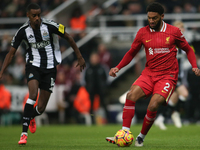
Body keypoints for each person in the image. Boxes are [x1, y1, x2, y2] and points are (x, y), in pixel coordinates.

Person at [105, 2, 200, 147]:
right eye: (149, 18)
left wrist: (194, 66)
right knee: (130, 96)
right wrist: (118, 67)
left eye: (154, 18)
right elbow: (132, 52)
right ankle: (124, 132)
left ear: (162, 16)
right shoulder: (142, 32)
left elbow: (188, 49)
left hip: (168, 76)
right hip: (149, 74)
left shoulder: (173, 31)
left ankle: (141, 137)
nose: (151, 21)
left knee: (153, 104)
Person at [0, 3, 86, 145]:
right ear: (28, 15)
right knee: (33, 95)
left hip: (50, 68)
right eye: (34, 15)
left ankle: (32, 116)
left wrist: (80, 56)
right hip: (33, 66)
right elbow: (11, 53)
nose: (37, 18)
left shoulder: (50, 25)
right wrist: (2, 71)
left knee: (41, 108)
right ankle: (23, 134)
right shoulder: (23, 31)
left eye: (39, 15)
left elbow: (69, 37)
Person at [154, 21, 189, 130]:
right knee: (184, 93)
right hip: (172, 75)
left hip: (179, 75)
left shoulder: (182, 42)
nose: (182, 30)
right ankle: (176, 114)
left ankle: (160, 118)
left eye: (182, 28)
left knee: (174, 99)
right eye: (179, 28)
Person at [84, 52, 109, 124]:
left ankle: (108, 120)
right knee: (91, 106)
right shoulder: (88, 69)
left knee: (104, 105)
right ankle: (92, 120)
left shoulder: (102, 68)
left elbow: (106, 79)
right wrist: (88, 89)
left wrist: (104, 88)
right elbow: (85, 80)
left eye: (95, 58)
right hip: (91, 90)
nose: (94, 60)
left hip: (101, 90)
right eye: (92, 58)